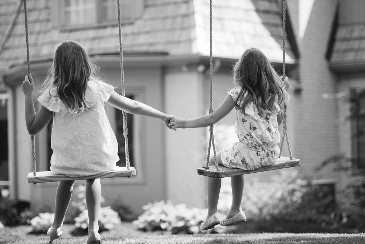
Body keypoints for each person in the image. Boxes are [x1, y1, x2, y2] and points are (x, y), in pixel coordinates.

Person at [22, 40, 173, 244]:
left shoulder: (55, 94)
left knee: (66, 179)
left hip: (67, 160)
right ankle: (93, 230)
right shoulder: (98, 88)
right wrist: (163, 116)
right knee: (92, 177)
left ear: (58, 66)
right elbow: (134, 106)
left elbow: (33, 128)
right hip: (100, 157)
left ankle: (56, 226)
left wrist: (27, 95)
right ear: (85, 63)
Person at [169, 48, 289, 231]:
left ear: (242, 71)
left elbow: (212, 119)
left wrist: (182, 123)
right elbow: (277, 122)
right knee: (236, 157)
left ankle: (211, 214)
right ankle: (235, 210)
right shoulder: (271, 94)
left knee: (212, 162)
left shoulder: (238, 94)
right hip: (272, 153)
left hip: (251, 155)